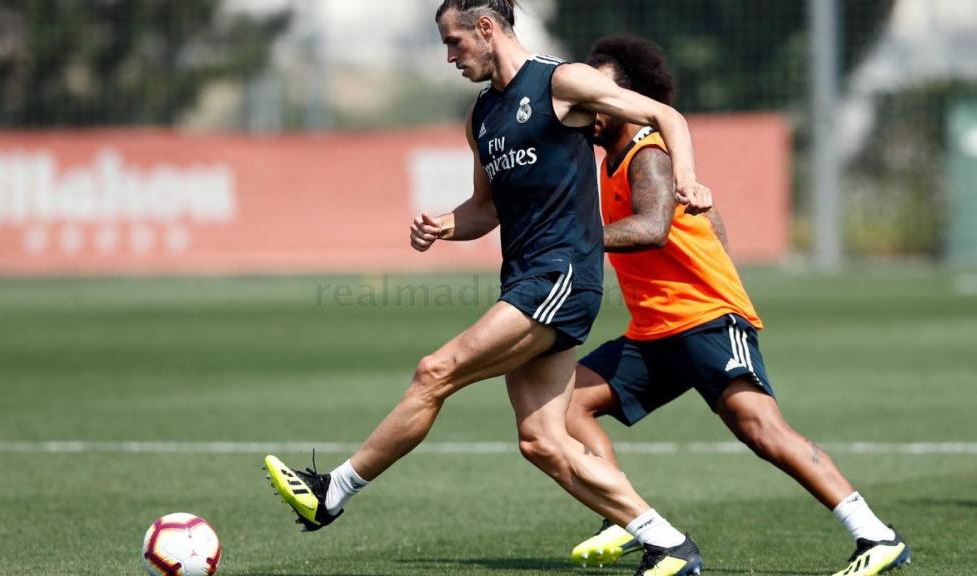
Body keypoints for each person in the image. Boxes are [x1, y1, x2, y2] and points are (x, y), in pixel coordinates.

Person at [263, 3, 711, 575]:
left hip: (561, 276)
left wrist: (687, 178)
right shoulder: (482, 115)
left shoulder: (561, 81)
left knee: (435, 371)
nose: (450, 56)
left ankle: (332, 492)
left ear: (485, 28)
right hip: (527, 279)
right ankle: (669, 544)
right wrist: (445, 225)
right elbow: (485, 208)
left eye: (454, 42)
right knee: (542, 441)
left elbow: (667, 116)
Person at [564, 34, 911, 576]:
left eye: (599, 95)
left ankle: (876, 535)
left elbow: (653, 228)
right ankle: (625, 518)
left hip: (703, 320)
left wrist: (574, 240)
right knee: (564, 406)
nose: (590, 106)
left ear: (630, 100)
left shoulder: (647, 154)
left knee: (762, 430)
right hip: (656, 330)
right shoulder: (611, 163)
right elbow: (710, 222)